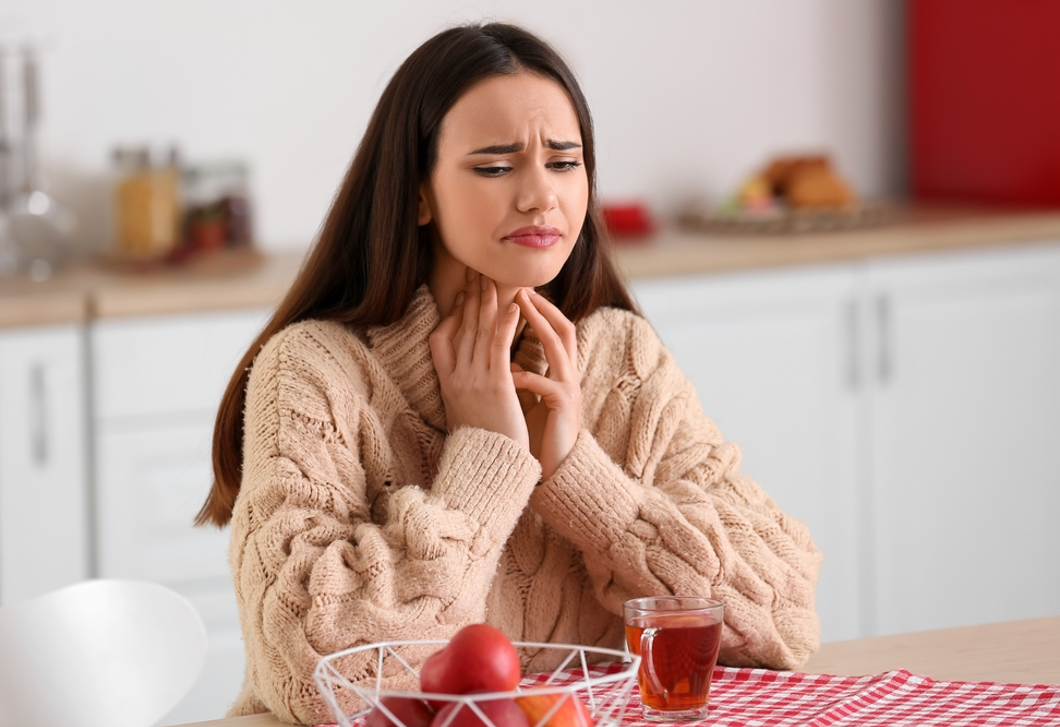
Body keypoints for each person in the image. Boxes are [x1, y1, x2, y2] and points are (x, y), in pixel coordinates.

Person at [196, 21, 822, 725]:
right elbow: (315, 677)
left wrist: (579, 476)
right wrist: (487, 461)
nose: (540, 196)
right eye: (495, 166)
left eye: (564, 162)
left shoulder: (621, 360)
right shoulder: (315, 368)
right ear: (418, 193)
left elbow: (785, 615)